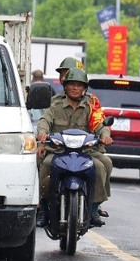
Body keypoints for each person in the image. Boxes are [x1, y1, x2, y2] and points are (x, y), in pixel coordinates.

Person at [36, 68, 113, 228]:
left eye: (79, 85)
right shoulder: (55, 104)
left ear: (84, 88)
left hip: (85, 152)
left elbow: (100, 124)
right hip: (58, 151)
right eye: (72, 84)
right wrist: (42, 134)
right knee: (45, 165)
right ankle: (42, 208)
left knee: (100, 166)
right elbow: (45, 120)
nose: (75, 88)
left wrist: (105, 135)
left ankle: (93, 209)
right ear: (65, 86)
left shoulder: (91, 106)